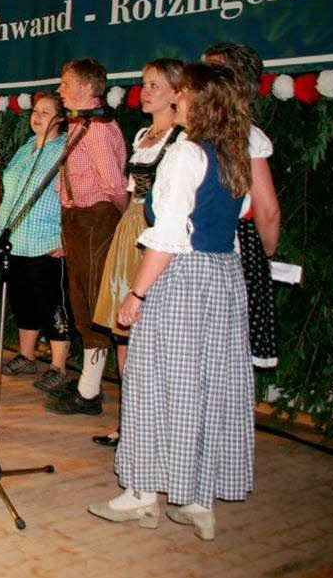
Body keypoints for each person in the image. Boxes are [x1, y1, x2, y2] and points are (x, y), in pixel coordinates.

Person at [89, 62, 254, 541]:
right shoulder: (234, 154)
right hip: (221, 280)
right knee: (206, 386)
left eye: (182, 94)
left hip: (182, 279)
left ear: (201, 102)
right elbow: (233, 225)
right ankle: (198, 499)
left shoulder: (186, 156)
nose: (176, 99)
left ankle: (141, 495)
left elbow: (168, 235)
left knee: (154, 380)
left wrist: (137, 293)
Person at [88, 59, 184, 446]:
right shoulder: (143, 134)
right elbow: (129, 193)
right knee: (122, 333)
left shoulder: (182, 140)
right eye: (143, 85)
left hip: (158, 231)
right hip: (131, 228)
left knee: (150, 333)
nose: (144, 93)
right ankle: (128, 420)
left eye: (154, 86)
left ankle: (154, 423)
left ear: (177, 93)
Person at [44, 58, 128, 415]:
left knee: (94, 299)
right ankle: (87, 385)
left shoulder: (99, 129)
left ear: (85, 87)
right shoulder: (80, 125)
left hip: (96, 219)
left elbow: (115, 186)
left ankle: (90, 392)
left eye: (65, 84)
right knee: (80, 298)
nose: (60, 90)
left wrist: (125, 223)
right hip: (78, 219)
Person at [202, 43, 281, 369]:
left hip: (230, 252)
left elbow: (267, 211)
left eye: (212, 74)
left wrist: (263, 254)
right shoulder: (193, 132)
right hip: (200, 251)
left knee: (226, 352)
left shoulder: (247, 136)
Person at [0, 93, 74, 381]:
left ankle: (58, 366)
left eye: (46, 112)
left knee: (51, 303)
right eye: (36, 111)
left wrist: (66, 239)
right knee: (23, 302)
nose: (37, 116)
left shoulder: (66, 149)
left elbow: (74, 198)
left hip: (46, 240)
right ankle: (27, 355)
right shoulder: (26, 147)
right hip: (15, 240)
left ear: (61, 118)